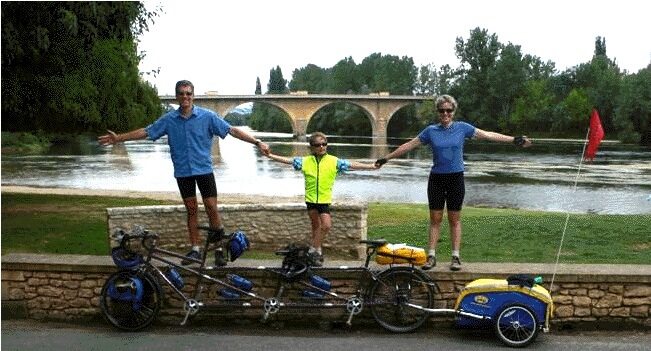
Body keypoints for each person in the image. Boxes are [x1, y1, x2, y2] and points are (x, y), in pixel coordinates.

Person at [98, 80, 270, 266]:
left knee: (212, 207)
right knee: (192, 209)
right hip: (183, 172)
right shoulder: (169, 120)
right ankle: (195, 249)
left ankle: (219, 248)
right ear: (177, 96)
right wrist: (118, 139)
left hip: (204, 169)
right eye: (182, 93)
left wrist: (257, 142)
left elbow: (232, 131)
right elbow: (146, 132)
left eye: (188, 93)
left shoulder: (208, 117)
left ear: (193, 96)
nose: (185, 97)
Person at [375, 94, 531, 272]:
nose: (445, 114)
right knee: (435, 219)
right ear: (437, 112)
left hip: (456, 178)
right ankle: (431, 255)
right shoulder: (430, 131)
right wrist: (386, 158)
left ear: (453, 111)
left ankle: (455, 257)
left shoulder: (462, 128)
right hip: (437, 179)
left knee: (454, 219)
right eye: (442, 110)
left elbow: (487, 135)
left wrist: (514, 139)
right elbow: (409, 145)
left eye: (449, 110)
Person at [265, 132, 378, 267]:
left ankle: (312, 250)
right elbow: (287, 160)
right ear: (312, 147)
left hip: (324, 200)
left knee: (326, 225)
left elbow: (352, 165)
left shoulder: (333, 161)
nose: (321, 147)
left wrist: (372, 166)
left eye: (324, 144)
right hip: (311, 199)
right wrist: (270, 155)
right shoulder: (306, 161)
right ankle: (318, 253)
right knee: (315, 228)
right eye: (318, 145)